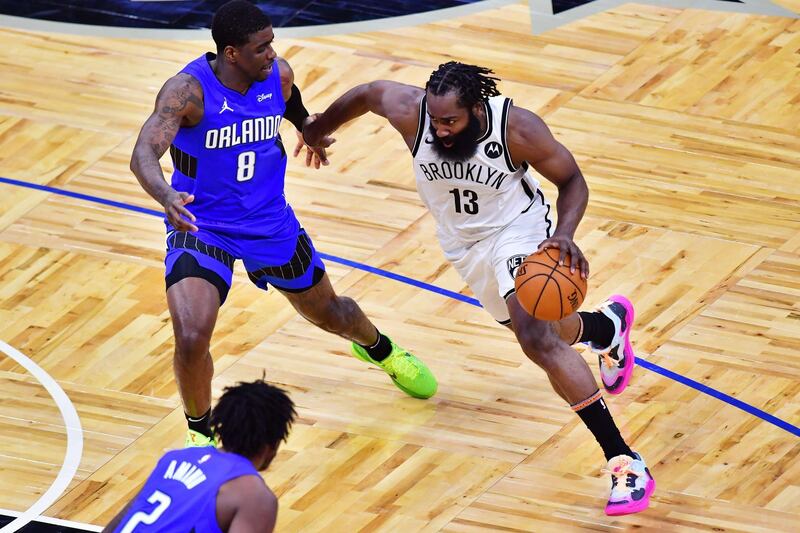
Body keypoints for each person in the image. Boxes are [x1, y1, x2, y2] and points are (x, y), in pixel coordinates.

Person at [302, 62, 655, 515]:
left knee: (536, 339)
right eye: (436, 119)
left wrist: (564, 233)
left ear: (477, 109)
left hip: (518, 230)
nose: (442, 131)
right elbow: (369, 93)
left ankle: (624, 460)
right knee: (546, 333)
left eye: (452, 121)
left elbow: (572, 180)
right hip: (463, 245)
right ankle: (604, 328)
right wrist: (319, 129)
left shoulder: (517, 128)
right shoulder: (413, 112)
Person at [130, 0, 438, 448]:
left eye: (272, 43)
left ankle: (382, 350)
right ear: (231, 53)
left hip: (270, 221)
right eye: (261, 47)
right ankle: (201, 432)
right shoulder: (188, 92)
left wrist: (307, 127)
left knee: (334, 315)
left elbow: (292, 104)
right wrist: (165, 196)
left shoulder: (279, 74)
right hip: (203, 225)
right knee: (192, 336)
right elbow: (143, 153)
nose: (272, 53)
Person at [103, 379, 295, 532]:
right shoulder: (254, 497)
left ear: (221, 426)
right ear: (274, 442)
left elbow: (113, 528)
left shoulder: (173, 460)